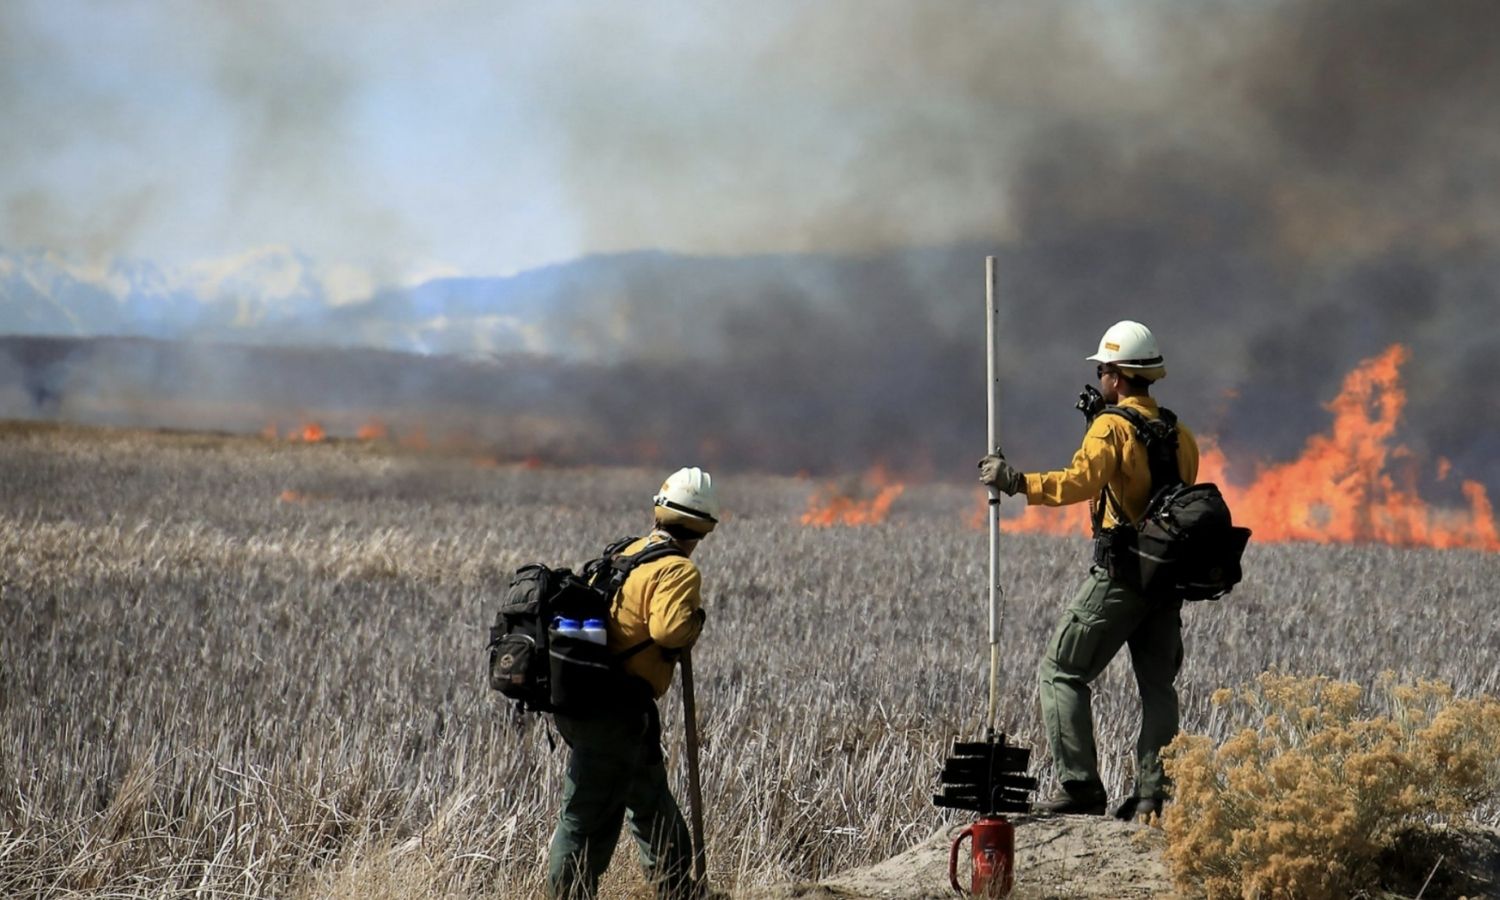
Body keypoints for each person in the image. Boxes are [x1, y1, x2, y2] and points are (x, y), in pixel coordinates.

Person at [978, 320, 1200, 821]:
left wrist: (1014, 481)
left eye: (1103, 368)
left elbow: (1081, 481)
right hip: (1165, 580)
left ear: (1118, 376)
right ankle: (1153, 796)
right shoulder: (1181, 433)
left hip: (1121, 575)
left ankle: (1080, 786)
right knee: (1158, 687)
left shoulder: (1113, 428)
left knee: (1060, 671)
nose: (1100, 375)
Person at [548, 466, 719, 900]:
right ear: (704, 527)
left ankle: (679, 891)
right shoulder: (676, 569)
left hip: (591, 699)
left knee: (650, 801)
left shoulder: (628, 552)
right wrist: (696, 620)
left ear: (659, 511)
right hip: (614, 710)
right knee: (588, 818)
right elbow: (669, 632)